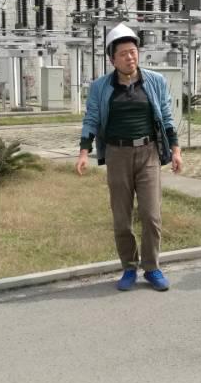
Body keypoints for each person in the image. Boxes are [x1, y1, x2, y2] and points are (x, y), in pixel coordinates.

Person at [76, 23, 183, 291]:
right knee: (122, 218)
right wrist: (84, 151)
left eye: (133, 52)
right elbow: (91, 118)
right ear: (112, 59)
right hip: (117, 154)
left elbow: (166, 117)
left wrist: (176, 150)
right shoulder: (100, 87)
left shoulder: (155, 81)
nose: (130, 57)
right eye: (123, 54)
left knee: (151, 214)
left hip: (148, 153)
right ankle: (129, 267)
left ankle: (152, 267)